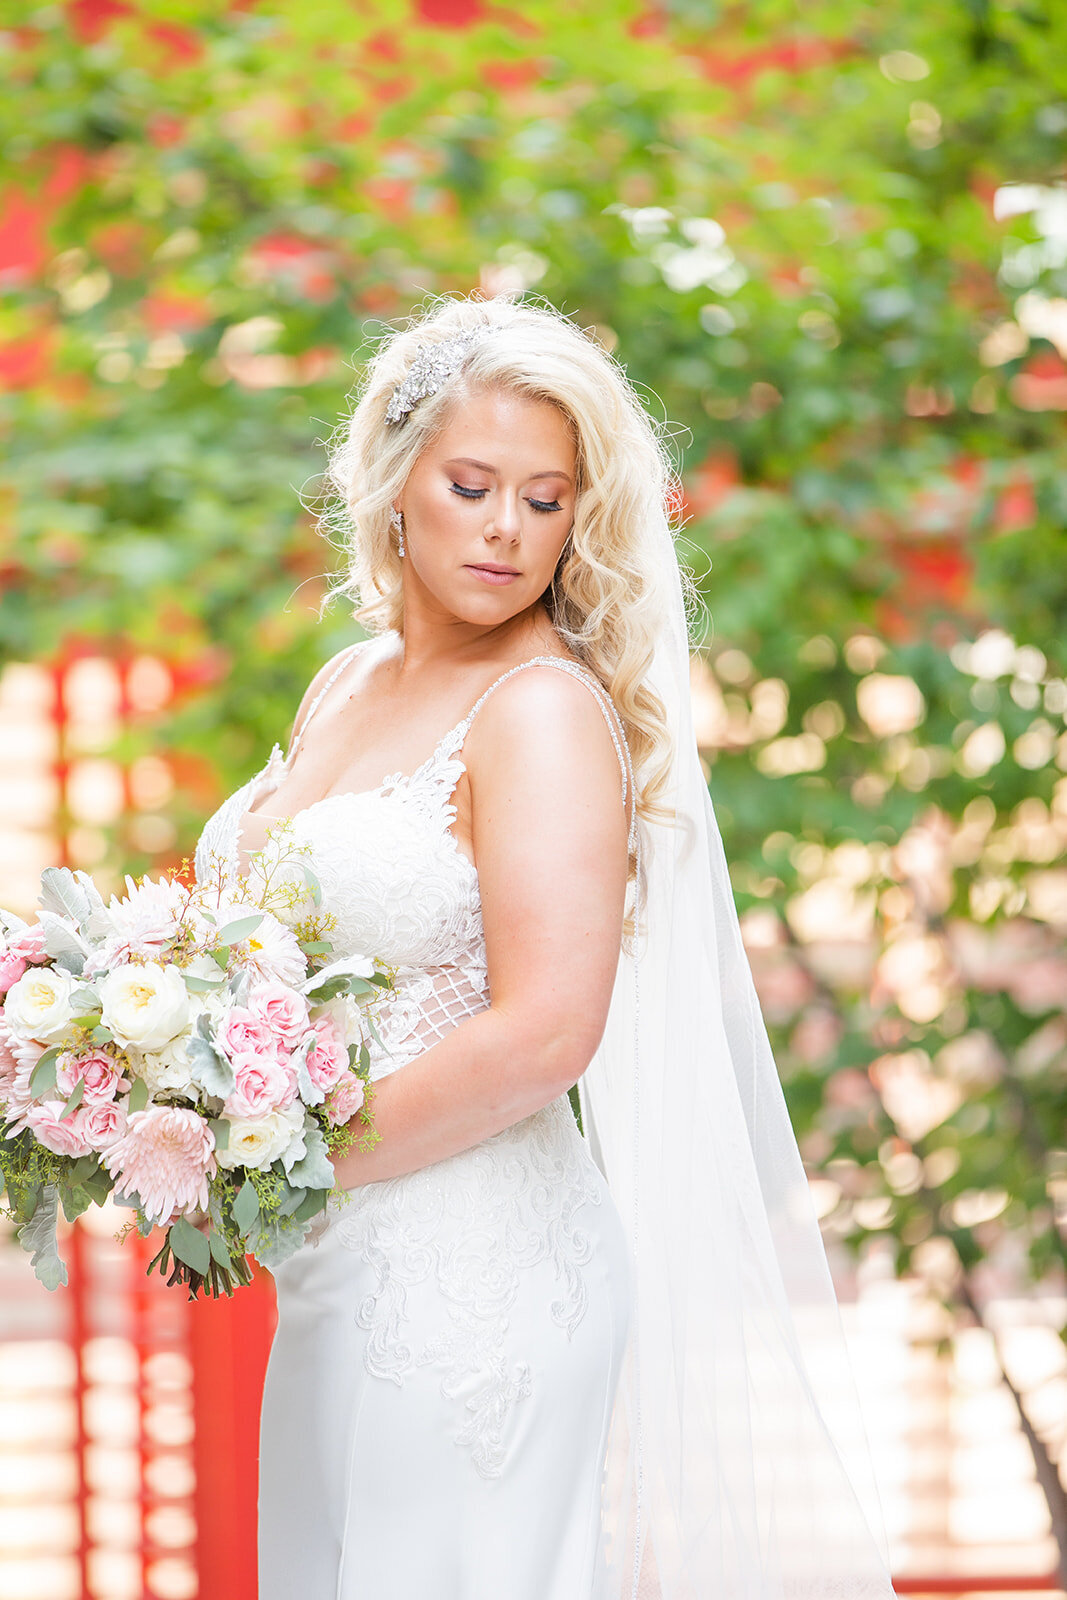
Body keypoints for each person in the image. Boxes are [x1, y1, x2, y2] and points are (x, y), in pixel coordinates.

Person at [193, 293, 897, 1599]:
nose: (507, 530)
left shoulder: (542, 712)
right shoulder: (346, 681)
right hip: (339, 1270)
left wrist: (287, 1165)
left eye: (547, 498)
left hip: (475, 1283)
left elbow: (547, 1030)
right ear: (395, 480)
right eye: (472, 486)